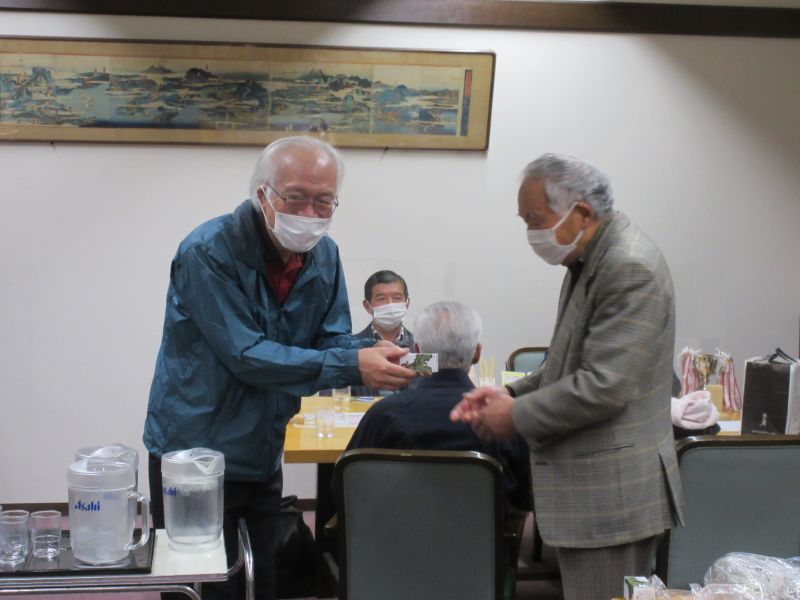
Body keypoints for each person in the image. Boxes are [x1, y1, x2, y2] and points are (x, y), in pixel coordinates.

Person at [143, 135, 415, 600]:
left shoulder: (324, 255)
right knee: (201, 586)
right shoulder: (208, 251)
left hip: (263, 445)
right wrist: (352, 363)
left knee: (260, 581)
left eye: (324, 201)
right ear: (263, 194)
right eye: (296, 198)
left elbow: (329, 339)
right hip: (195, 452)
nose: (310, 214)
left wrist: (380, 348)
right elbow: (246, 355)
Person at [451, 153, 684, 600]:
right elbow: (562, 364)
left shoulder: (628, 266)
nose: (530, 234)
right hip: (594, 493)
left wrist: (514, 415)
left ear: (581, 213)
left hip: (613, 497)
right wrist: (506, 392)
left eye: (534, 220)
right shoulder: (588, 259)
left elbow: (605, 386)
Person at [347, 300, 532, 515]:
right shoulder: (504, 418)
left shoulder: (384, 414)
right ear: (477, 353)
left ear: (418, 351)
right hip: (483, 535)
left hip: (399, 531)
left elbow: (346, 484)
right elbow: (525, 497)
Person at [349, 270, 414, 397]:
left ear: (407, 303)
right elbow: (333, 397)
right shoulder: (350, 349)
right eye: (382, 299)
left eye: (397, 298)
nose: (390, 304)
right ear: (367, 306)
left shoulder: (421, 347)